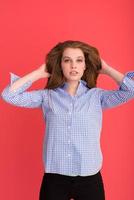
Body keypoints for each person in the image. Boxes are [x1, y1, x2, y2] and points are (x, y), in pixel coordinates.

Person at [1, 40, 134, 200]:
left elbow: (130, 90)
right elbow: (8, 95)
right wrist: (38, 73)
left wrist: (106, 69)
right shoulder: (47, 96)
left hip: (89, 177)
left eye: (79, 60)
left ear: (85, 65)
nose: (73, 66)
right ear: (60, 65)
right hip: (55, 177)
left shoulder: (97, 96)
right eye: (67, 60)